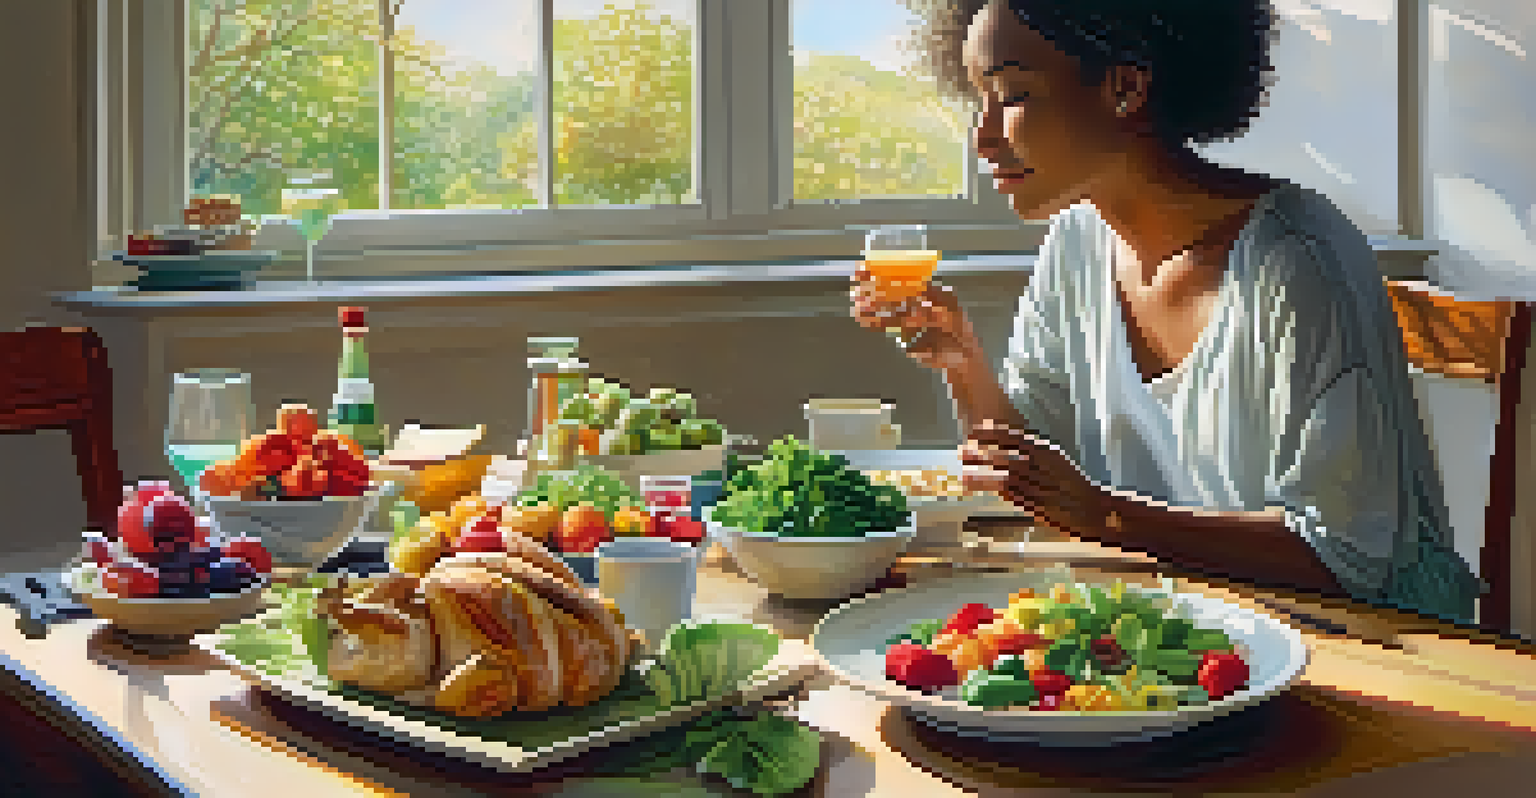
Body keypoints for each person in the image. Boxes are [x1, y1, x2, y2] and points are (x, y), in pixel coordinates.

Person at [851, 0, 1481, 623]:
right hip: (1190, 626)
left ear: (1125, 86)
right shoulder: (1076, 242)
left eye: (1014, 95)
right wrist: (964, 365)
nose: (983, 136)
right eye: (978, 102)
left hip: (1384, 649)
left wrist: (1106, 516)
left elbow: (1344, 557)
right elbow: (1037, 471)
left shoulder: (1296, 262)